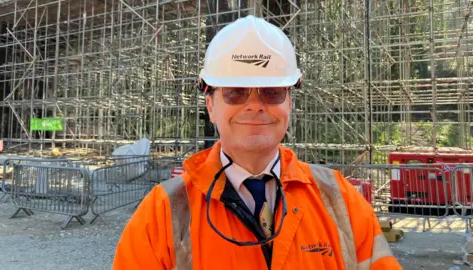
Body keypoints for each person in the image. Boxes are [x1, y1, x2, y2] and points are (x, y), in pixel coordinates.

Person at [112, 15, 402, 270]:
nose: (254, 105)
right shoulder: (165, 212)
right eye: (235, 92)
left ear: (289, 103)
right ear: (211, 106)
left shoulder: (339, 200)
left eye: (271, 91)